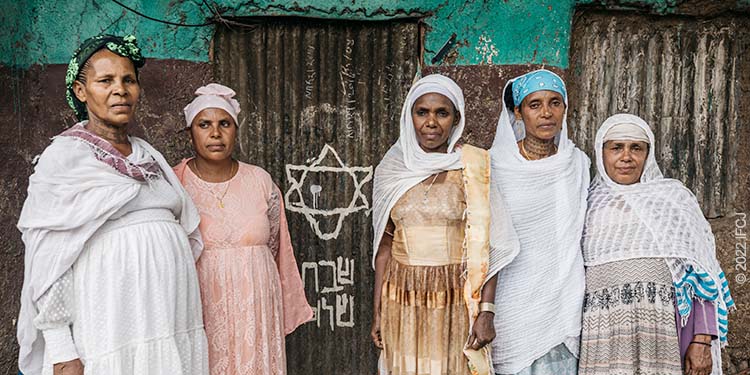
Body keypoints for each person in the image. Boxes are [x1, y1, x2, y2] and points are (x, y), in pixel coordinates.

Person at [16, 34, 208, 375]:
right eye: (105, 80)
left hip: (170, 326)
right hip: (110, 334)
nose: (120, 89)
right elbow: (51, 262)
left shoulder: (149, 156)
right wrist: (62, 349)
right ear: (81, 91)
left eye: (128, 80)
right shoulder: (63, 160)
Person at [370, 74, 519, 375]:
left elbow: (495, 244)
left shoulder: (472, 167)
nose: (431, 122)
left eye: (442, 113)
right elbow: (384, 246)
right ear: (409, 116)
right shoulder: (392, 169)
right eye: (422, 112)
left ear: (456, 119)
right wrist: (377, 311)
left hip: (455, 300)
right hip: (402, 296)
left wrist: (486, 312)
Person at [579, 113, 734, 375]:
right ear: (601, 152)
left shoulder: (672, 200)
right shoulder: (585, 203)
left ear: (648, 154)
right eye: (616, 147)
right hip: (602, 334)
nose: (626, 157)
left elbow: (702, 273)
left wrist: (701, 339)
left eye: (636, 148)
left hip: (664, 333)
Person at [173, 83, 312, 375]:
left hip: (256, 309)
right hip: (203, 309)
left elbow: (275, 245)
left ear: (236, 129)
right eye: (204, 124)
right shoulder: (176, 185)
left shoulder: (260, 181)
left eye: (224, 124)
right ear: (190, 132)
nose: (215, 133)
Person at [488, 69, 590, 374]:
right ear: (518, 113)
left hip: (563, 300)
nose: (546, 113)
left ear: (564, 109)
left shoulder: (578, 163)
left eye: (555, 103)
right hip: (512, 301)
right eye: (534, 105)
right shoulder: (496, 165)